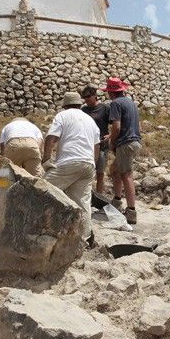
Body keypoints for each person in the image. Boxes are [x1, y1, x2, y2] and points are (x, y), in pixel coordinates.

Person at [43, 92, 100, 241]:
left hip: (69, 162)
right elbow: (97, 146)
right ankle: (85, 238)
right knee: (82, 202)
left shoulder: (63, 116)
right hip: (88, 164)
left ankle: (37, 230)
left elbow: (51, 138)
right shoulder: (90, 120)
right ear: (80, 104)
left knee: (41, 190)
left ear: (65, 106)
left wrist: (46, 159)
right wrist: (92, 163)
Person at [101, 77, 142, 224]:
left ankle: (131, 211)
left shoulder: (115, 104)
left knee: (126, 175)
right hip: (134, 141)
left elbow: (117, 126)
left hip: (125, 143)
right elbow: (135, 125)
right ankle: (117, 201)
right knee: (114, 170)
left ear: (111, 92)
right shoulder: (130, 103)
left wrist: (112, 141)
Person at [81, 85, 111, 193]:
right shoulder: (83, 110)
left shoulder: (105, 108)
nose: (86, 99)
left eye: (88, 96)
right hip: (87, 145)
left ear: (95, 96)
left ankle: (99, 195)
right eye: (84, 97)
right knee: (86, 172)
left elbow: (115, 123)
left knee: (100, 173)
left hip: (101, 145)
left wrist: (110, 135)